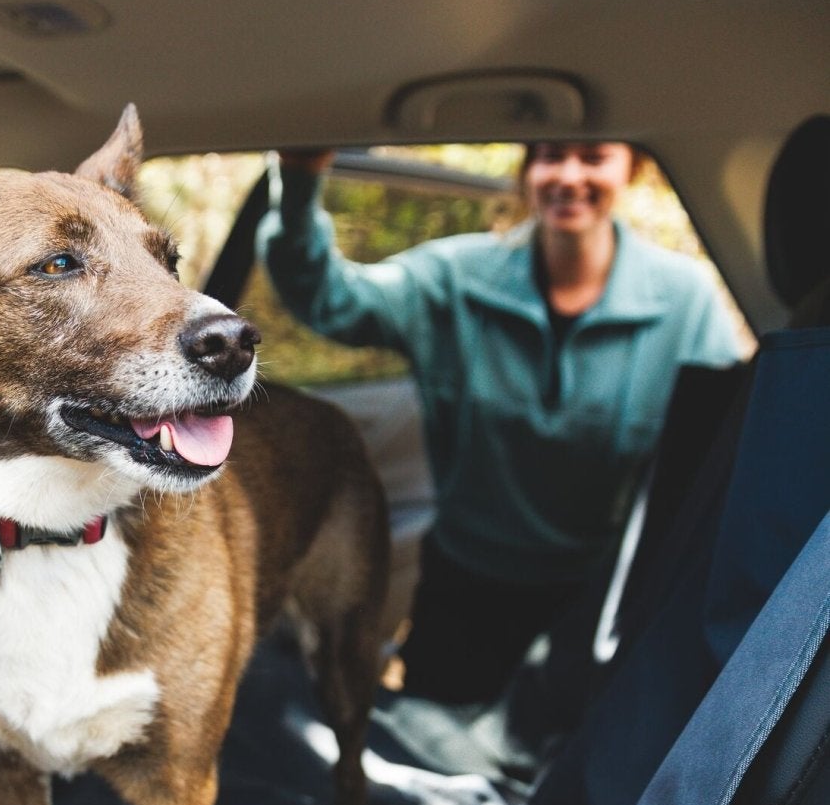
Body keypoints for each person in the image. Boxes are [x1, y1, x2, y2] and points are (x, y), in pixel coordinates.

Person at [258, 141, 743, 706]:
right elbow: (330, 299)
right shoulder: (456, 277)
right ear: (528, 170)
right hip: (465, 579)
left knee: (554, 739)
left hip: (596, 592)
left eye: (592, 158)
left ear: (631, 168)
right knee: (436, 734)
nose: (568, 176)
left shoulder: (684, 300)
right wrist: (299, 179)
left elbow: (720, 443)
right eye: (550, 156)